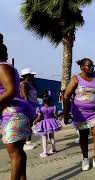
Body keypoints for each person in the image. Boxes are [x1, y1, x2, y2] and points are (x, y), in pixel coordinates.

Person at [63, 58, 95, 171]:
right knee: (83, 135)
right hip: (80, 114)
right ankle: (85, 159)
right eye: (89, 66)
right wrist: (66, 114)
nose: (92, 68)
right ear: (82, 67)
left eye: (92, 65)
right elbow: (66, 96)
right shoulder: (76, 78)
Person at [0, 42, 34, 180]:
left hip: (12, 113)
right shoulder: (6, 67)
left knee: (15, 154)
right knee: (18, 152)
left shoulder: (2, 67)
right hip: (15, 112)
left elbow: (11, 91)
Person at [33, 93, 62, 157]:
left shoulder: (40, 109)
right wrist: (58, 116)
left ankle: (45, 152)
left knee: (44, 137)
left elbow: (39, 118)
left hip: (44, 123)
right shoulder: (53, 107)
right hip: (52, 122)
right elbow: (55, 116)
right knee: (52, 136)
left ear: (43, 101)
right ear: (50, 100)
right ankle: (54, 149)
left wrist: (35, 121)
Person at [20, 68, 38, 150]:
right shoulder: (24, 84)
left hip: (32, 106)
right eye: (32, 75)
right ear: (27, 76)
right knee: (27, 124)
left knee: (30, 124)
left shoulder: (30, 84)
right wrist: (28, 107)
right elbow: (24, 96)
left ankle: (28, 142)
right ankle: (25, 144)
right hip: (28, 106)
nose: (33, 76)